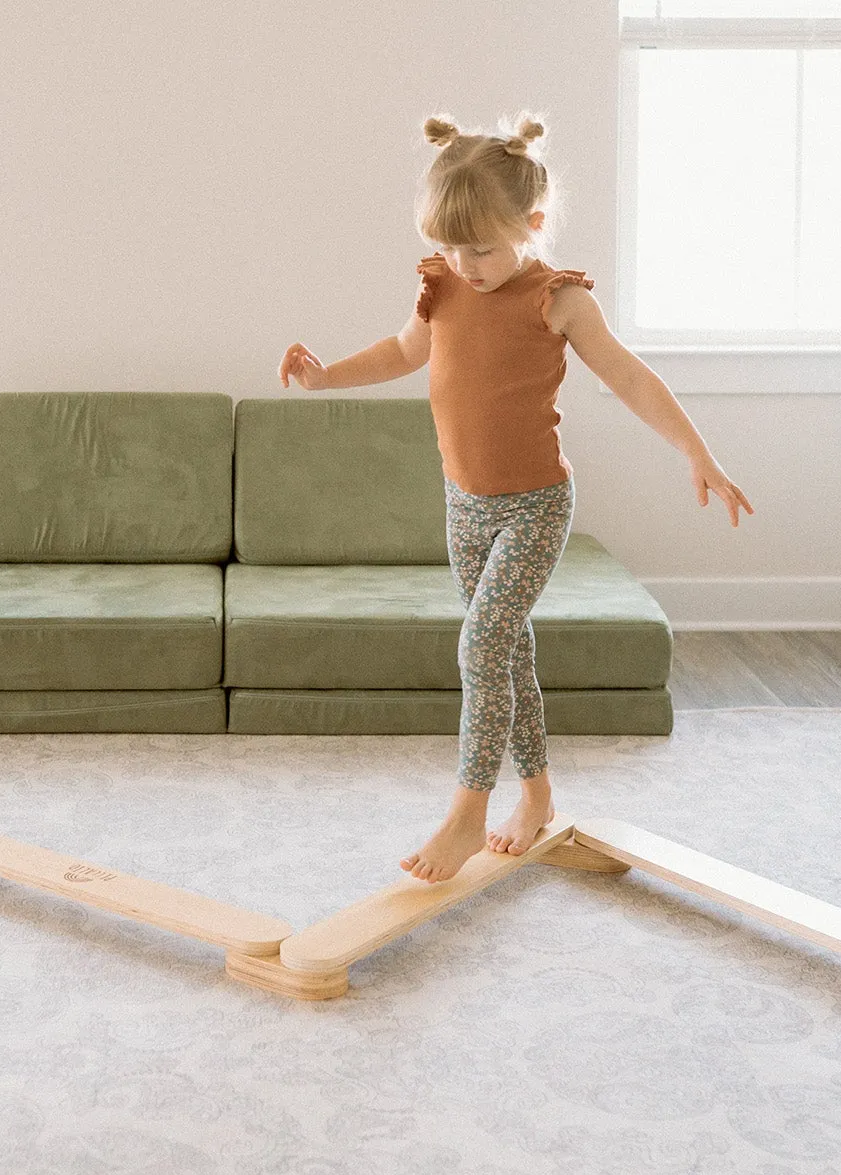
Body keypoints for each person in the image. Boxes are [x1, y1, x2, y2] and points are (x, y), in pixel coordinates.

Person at [277, 110, 754, 884]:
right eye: (451, 246)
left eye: (484, 247)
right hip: (463, 504)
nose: (465, 263)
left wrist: (697, 451)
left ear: (531, 225)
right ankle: (535, 797)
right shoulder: (443, 286)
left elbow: (629, 376)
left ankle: (468, 812)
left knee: (480, 644)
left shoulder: (557, 299)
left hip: (535, 504)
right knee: (509, 650)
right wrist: (327, 375)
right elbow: (404, 351)